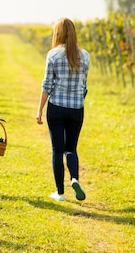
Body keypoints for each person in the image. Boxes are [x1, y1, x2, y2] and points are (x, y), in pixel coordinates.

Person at [36, 17, 90, 202]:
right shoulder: (85, 56)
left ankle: (60, 193)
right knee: (71, 148)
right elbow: (84, 86)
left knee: (57, 150)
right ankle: (74, 178)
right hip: (76, 108)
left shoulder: (53, 55)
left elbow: (47, 85)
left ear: (57, 33)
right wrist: (77, 100)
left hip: (57, 107)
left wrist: (39, 110)